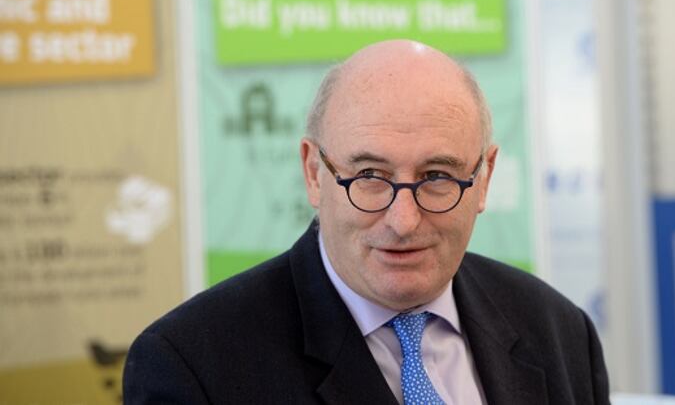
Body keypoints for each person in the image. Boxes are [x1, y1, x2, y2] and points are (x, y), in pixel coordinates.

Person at [123, 40, 610, 404]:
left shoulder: (560, 333)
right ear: (314, 174)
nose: (403, 220)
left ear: (483, 179)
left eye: (437, 176)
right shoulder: (192, 366)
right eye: (370, 176)